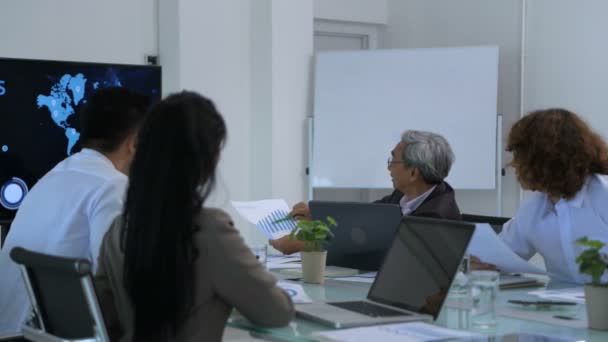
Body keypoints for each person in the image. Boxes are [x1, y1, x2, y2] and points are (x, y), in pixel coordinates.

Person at [94, 91, 294, 342]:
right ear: (208, 159)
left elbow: (105, 317)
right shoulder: (210, 229)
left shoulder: (118, 229)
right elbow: (276, 313)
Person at [0, 87, 150, 334]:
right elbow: (116, 282)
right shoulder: (112, 186)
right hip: (46, 334)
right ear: (134, 143)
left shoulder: (55, 175)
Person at [271, 130, 461, 255]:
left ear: (413, 173)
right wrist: (316, 214)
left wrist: (305, 243)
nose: (388, 169)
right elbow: (363, 216)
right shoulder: (403, 197)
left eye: (393, 161)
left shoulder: (437, 216)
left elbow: (375, 246)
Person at [499, 108, 608, 284]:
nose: (513, 164)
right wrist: (479, 261)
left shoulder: (603, 194)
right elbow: (500, 256)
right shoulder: (532, 209)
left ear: (544, 159)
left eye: (520, 155)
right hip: (561, 308)